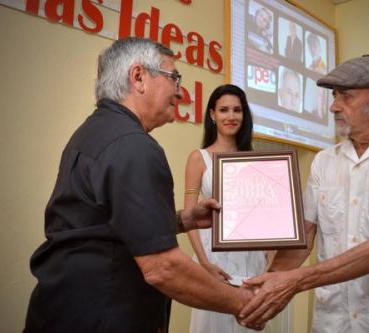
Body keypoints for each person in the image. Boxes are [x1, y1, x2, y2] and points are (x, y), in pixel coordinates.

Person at [24, 38, 255, 333]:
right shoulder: (133, 146)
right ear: (138, 78)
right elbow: (162, 267)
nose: (179, 91)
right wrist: (242, 302)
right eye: (174, 77)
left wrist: (182, 219)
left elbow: (107, 224)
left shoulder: (95, 131)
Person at [239, 56, 369, 333]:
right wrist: (267, 289)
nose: (334, 106)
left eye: (346, 97)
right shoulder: (324, 161)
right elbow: (305, 236)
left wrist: (294, 282)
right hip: (333, 321)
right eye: (334, 96)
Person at [185, 84, 291, 333]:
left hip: (252, 257)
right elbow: (189, 217)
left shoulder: (256, 159)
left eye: (237, 110)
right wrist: (204, 263)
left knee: (249, 319)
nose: (231, 117)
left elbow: (265, 219)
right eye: (223, 110)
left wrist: (272, 266)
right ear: (212, 115)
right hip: (214, 257)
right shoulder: (198, 158)